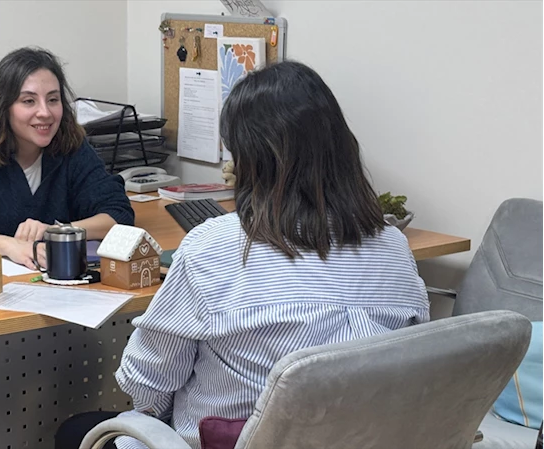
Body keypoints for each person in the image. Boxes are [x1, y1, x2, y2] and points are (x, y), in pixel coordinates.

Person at [56, 61, 430, 449]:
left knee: (76, 431)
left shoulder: (213, 247)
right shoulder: (393, 246)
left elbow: (148, 385)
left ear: (251, 159)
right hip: (355, 438)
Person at [0, 47, 134, 269]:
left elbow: (118, 214)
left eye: (53, 100)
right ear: (3, 107)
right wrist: (12, 246)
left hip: (58, 286)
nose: (45, 113)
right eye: (29, 101)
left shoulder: (71, 146)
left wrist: (57, 231)